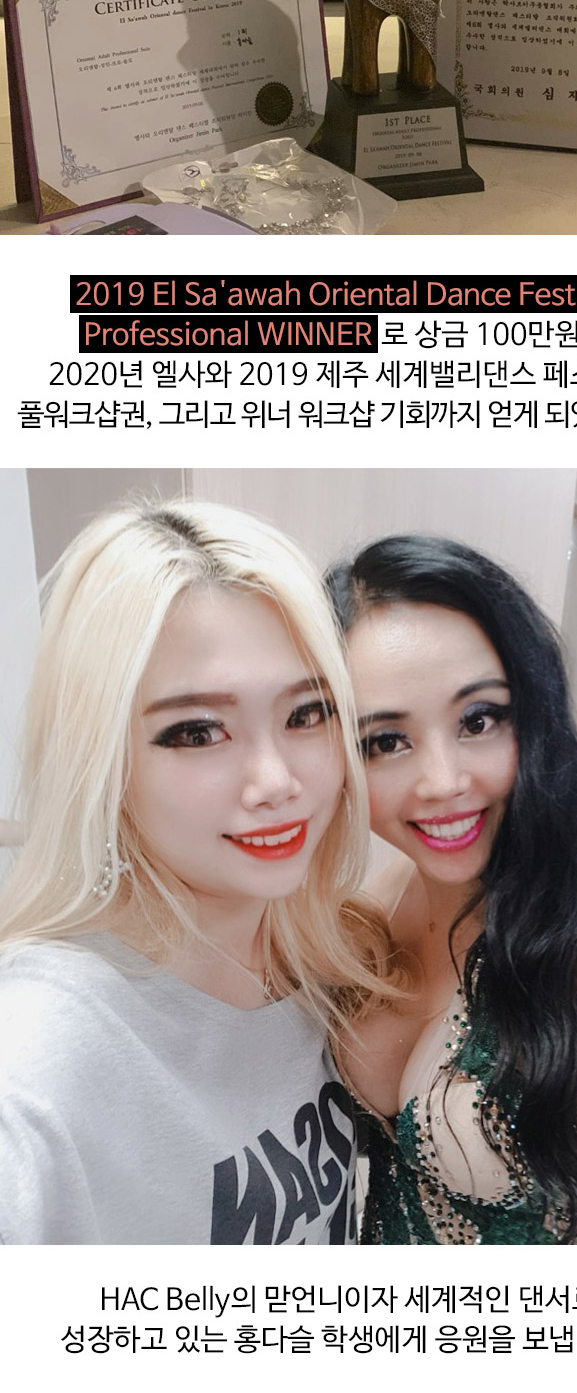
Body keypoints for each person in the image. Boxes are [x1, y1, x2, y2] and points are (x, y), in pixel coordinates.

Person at [0, 497, 396, 1245]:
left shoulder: (327, 955)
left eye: (306, 713)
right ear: (104, 759)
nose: (275, 781)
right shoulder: (42, 1053)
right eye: (196, 732)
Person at [328, 533, 577, 1245]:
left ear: (534, 711)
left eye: (479, 720)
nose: (442, 782)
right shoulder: (390, 893)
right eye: (385, 741)